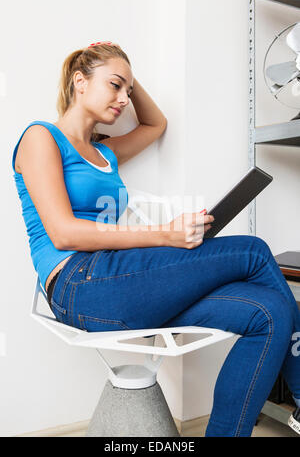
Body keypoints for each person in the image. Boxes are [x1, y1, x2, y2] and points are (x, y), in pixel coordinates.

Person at [12, 42, 299, 437]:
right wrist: (166, 234)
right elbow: (63, 232)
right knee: (252, 251)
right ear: (80, 82)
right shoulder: (40, 137)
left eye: (127, 91)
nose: (123, 99)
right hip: (78, 283)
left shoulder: (105, 153)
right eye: (114, 86)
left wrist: (126, 75)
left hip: (120, 281)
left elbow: (155, 124)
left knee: (269, 311)